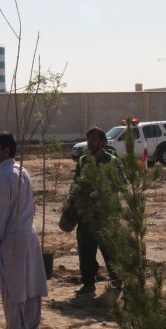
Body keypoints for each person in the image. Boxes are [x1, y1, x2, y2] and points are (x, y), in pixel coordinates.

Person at [0, 132, 48, 329]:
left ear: (6, 150)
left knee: (14, 290)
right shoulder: (22, 172)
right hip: (27, 236)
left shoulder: (5, 178)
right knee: (30, 287)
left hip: (12, 241)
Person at [67, 126, 123, 296]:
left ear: (102, 142)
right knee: (85, 250)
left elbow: (119, 184)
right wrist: (71, 203)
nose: (90, 143)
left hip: (106, 215)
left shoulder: (112, 161)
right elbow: (75, 184)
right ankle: (88, 283)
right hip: (86, 215)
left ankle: (117, 281)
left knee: (110, 250)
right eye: (89, 139)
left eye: (94, 139)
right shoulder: (83, 161)